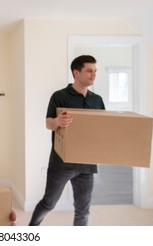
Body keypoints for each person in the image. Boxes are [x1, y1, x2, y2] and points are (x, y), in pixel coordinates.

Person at [29, 55, 105, 226]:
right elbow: (48, 123)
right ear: (76, 73)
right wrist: (57, 122)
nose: (94, 74)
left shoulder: (97, 100)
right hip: (61, 164)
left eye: (95, 71)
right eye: (89, 71)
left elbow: (101, 127)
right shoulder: (59, 96)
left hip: (87, 165)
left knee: (83, 211)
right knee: (48, 204)